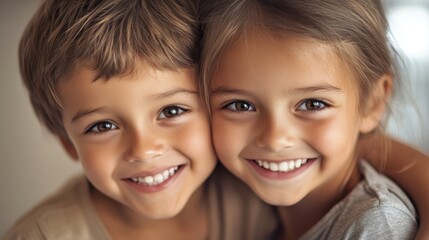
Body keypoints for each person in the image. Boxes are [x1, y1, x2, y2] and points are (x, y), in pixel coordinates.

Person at [3, 0, 277, 239]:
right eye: (103, 126)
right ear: (67, 142)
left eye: (171, 111)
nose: (143, 150)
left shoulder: (262, 200)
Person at [199, 0, 420, 239]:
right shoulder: (241, 202)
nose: (275, 139)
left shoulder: (377, 226)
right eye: (240, 106)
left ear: (372, 103)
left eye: (313, 104)